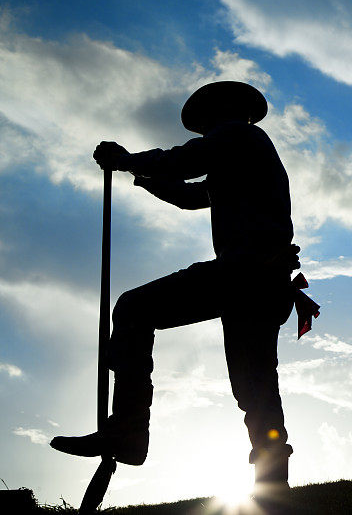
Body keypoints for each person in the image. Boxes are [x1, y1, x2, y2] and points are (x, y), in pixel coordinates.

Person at [51, 81, 311, 499]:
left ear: (221, 113)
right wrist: (138, 172)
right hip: (262, 279)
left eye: (204, 121)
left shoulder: (237, 135)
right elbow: (193, 196)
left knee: (135, 308)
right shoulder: (241, 153)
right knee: (254, 383)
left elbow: (182, 162)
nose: (202, 130)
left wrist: (126, 159)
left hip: (246, 273)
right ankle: (273, 483)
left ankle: (130, 431)